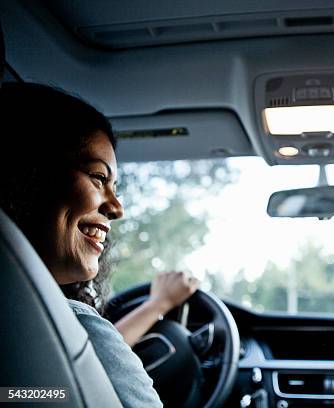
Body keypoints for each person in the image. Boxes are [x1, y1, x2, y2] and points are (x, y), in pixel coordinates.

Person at [0, 82, 197, 406]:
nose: (117, 208)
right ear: (28, 174)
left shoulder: (43, 333)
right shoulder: (71, 327)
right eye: (98, 177)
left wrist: (157, 305)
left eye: (115, 186)